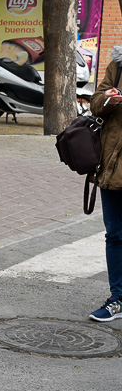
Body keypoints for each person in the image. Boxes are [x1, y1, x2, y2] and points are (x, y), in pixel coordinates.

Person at [89, 44, 122, 321]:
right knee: (114, 233)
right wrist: (109, 99)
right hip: (112, 167)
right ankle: (117, 298)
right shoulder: (118, 65)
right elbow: (95, 101)